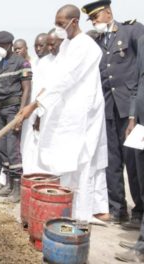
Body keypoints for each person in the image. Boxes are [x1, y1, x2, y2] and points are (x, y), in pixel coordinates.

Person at [18, 4, 109, 222]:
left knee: (81, 161)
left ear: (74, 21)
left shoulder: (85, 46)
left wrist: (35, 104)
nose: (58, 28)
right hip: (65, 111)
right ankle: (66, 208)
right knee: (65, 161)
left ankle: (81, 213)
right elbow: (52, 79)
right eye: (56, 23)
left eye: (61, 24)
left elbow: (66, 79)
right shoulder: (67, 45)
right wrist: (35, 103)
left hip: (83, 112)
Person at [82, 0, 144, 226]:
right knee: (112, 162)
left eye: (95, 17)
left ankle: (140, 212)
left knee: (135, 163)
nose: (93, 22)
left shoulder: (132, 30)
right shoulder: (95, 41)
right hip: (107, 110)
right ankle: (118, 209)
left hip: (130, 109)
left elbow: (141, 70)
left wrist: (136, 109)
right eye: (91, 20)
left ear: (108, 12)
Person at [0, 31, 32, 203]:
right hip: (0, 110)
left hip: (13, 109)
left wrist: (21, 113)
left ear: (10, 45)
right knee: (1, 148)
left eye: (3, 45)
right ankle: (8, 184)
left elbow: (27, 89)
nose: (0, 48)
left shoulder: (22, 63)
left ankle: (17, 190)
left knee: (12, 149)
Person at [115, 34, 144, 264]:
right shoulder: (143, 41)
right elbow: (138, 81)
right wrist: (133, 115)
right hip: (141, 122)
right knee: (140, 179)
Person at [21, 29, 63, 175]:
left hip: (45, 113)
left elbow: (49, 91)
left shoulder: (56, 63)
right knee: (28, 149)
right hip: (31, 112)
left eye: (42, 45)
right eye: (36, 46)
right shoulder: (35, 63)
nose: (39, 49)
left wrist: (39, 114)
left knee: (47, 151)